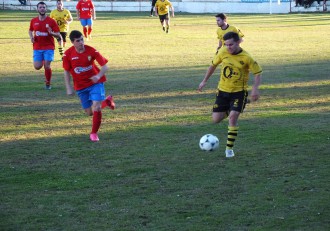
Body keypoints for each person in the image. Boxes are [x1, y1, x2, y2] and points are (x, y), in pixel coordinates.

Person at [198, 32, 262, 158]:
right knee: (216, 119)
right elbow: (213, 65)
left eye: (231, 44)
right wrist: (204, 81)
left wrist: (255, 88)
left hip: (239, 92)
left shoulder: (246, 57)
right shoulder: (223, 52)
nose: (229, 47)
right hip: (222, 91)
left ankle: (229, 149)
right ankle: (236, 107)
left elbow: (258, 73)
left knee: (233, 117)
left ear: (238, 42)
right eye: (226, 45)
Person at [62, 30, 115, 142]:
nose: (81, 42)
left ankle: (94, 133)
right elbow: (66, 71)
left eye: (82, 39)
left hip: (96, 83)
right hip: (80, 86)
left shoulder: (92, 50)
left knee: (96, 106)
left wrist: (98, 76)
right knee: (89, 112)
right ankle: (107, 102)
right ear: (72, 42)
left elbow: (105, 66)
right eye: (78, 41)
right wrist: (68, 87)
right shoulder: (68, 54)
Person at [28, 1, 61, 90]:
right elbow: (30, 30)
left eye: (43, 7)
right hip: (37, 47)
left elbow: (58, 34)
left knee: (47, 66)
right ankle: (43, 60)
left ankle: (48, 83)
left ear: (46, 9)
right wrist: (31, 37)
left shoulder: (51, 21)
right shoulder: (33, 21)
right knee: (37, 67)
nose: (42, 9)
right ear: (37, 9)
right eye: (40, 7)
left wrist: (51, 33)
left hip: (48, 47)